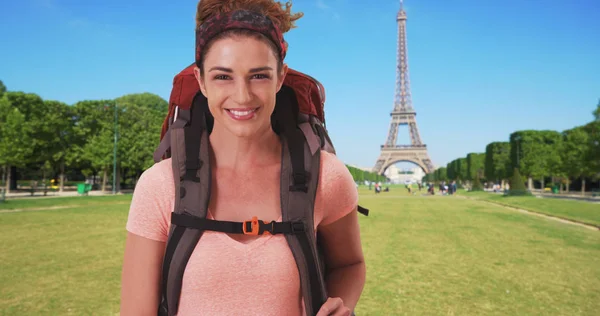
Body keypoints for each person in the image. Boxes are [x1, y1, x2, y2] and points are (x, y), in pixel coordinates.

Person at [119, 1, 366, 315]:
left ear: (280, 77)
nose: (242, 96)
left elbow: (350, 264)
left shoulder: (327, 176)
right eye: (223, 77)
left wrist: (341, 303)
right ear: (200, 79)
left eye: (259, 76)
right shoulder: (158, 185)